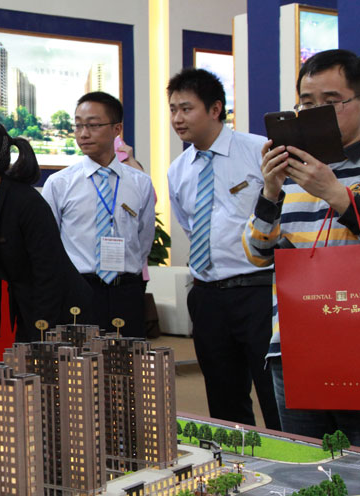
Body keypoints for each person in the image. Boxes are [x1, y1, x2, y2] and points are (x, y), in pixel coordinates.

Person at [244, 49, 360, 441]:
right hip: (296, 345)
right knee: (306, 460)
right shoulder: (290, 173)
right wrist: (271, 190)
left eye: (331, 102)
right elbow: (256, 253)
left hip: (355, 344)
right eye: (306, 104)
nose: (314, 114)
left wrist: (336, 194)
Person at [167, 68, 280, 430]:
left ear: (215, 109)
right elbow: (189, 225)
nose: (177, 119)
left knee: (275, 396)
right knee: (223, 399)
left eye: (186, 109)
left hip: (259, 292)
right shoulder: (178, 170)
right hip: (207, 297)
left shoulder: (259, 151)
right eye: (173, 110)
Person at [0, 118, 93, 359]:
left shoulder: (26, 202)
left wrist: (42, 336)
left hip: (64, 311)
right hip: (28, 307)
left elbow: (49, 275)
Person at [42, 92, 155, 338]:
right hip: (78, 291)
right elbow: (49, 245)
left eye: (93, 125)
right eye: (78, 125)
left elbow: (144, 239)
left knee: (127, 360)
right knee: (78, 360)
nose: (83, 133)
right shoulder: (59, 183)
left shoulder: (140, 183)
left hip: (126, 291)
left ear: (117, 129)